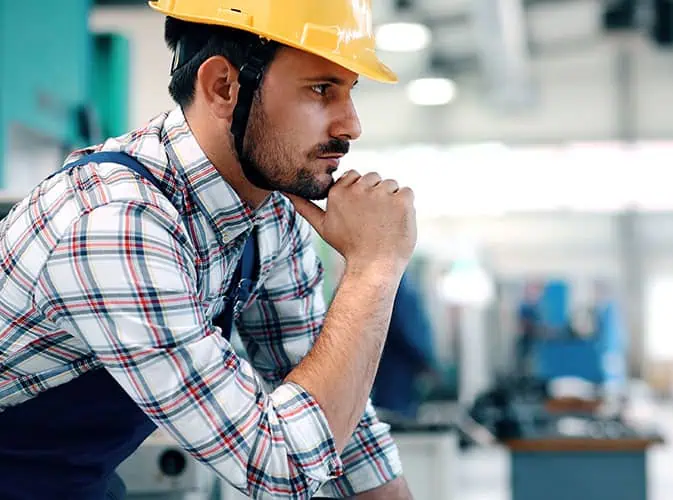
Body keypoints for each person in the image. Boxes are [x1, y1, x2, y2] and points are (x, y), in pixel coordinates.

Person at [0, 1, 417, 499]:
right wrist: (373, 270)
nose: (351, 125)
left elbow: (333, 403)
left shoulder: (273, 213)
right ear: (224, 87)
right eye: (321, 89)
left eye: (350, 92)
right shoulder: (117, 223)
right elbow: (278, 468)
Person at [372, 272, 438, 420]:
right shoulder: (394, 279)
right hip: (395, 373)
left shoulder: (400, 279)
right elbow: (406, 328)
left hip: (401, 373)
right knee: (394, 419)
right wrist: (426, 361)